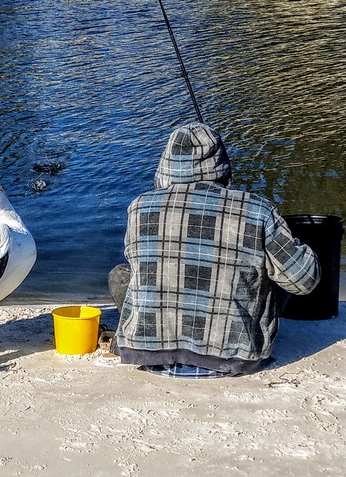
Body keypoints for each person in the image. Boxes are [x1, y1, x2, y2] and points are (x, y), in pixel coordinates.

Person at [108, 123, 320, 378]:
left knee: (121, 274)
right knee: (271, 270)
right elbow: (305, 281)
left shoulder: (140, 207)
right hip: (235, 359)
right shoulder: (258, 210)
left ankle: (140, 339)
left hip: (151, 358)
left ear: (166, 164)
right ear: (221, 164)